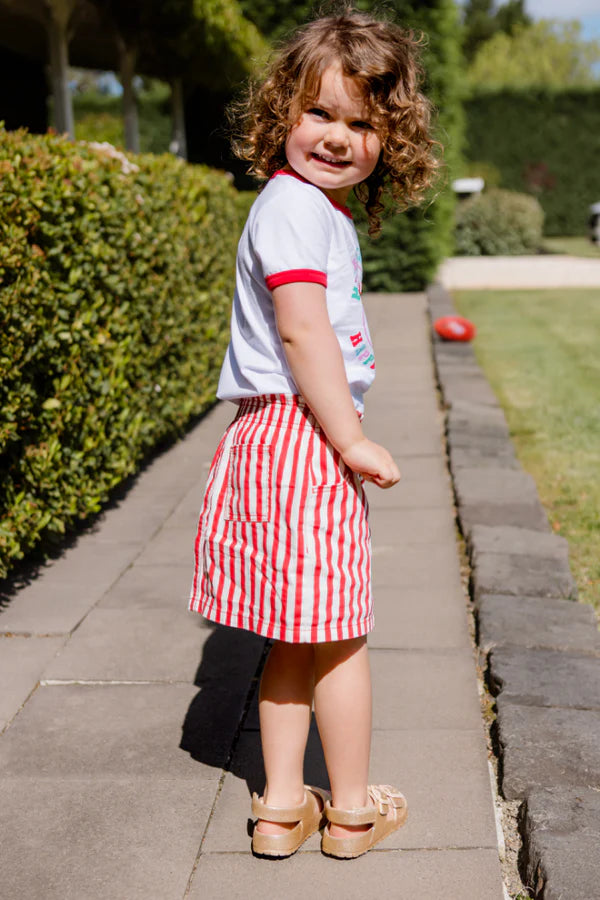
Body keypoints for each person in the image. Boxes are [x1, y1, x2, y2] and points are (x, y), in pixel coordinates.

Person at [189, 8, 441, 860]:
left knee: (293, 631)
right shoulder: (294, 210)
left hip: (278, 433)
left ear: (388, 138)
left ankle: (281, 808)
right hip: (306, 434)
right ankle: (356, 811)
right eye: (320, 113)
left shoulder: (303, 206)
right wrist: (351, 439)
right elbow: (302, 330)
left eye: (362, 122)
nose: (339, 136)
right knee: (340, 634)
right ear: (280, 114)